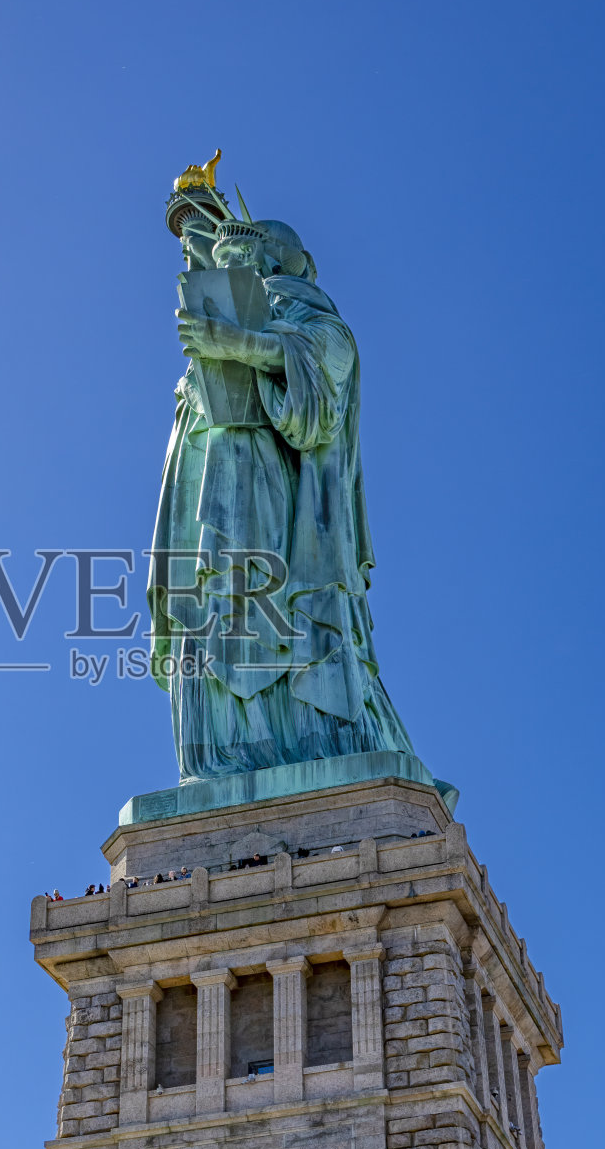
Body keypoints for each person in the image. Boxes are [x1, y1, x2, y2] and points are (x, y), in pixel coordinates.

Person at [149, 204, 414, 780]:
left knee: (265, 609)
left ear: (295, 264)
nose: (254, 258)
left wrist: (237, 343)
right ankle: (221, 754)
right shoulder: (252, 318)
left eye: (260, 248)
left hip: (274, 505)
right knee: (216, 608)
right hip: (213, 484)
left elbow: (315, 386)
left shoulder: (322, 324)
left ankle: (302, 744)